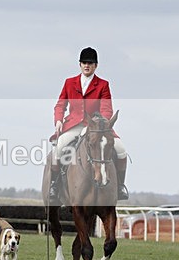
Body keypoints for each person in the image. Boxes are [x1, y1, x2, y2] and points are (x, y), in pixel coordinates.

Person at [49, 47, 129, 200]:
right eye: (84, 63)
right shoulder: (69, 82)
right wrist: (58, 120)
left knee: (121, 150)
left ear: (95, 66)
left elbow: (106, 108)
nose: (87, 65)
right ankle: (54, 185)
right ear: (80, 64)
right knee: (58, 148)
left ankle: (120, 187)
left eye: (90, 63)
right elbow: (60, 105)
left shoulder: (103, 85)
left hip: (97, 127)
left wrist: (100, 124)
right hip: (74, 125)